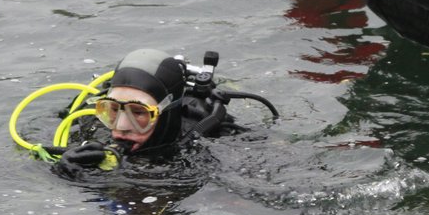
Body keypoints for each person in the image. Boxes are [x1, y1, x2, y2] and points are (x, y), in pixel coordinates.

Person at [40, 49, 277, 176]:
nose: (120, 126)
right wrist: (65, 173)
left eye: (139, 113)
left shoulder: (213, 143)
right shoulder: (90, 124)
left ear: (167, 112)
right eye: (111, 109)